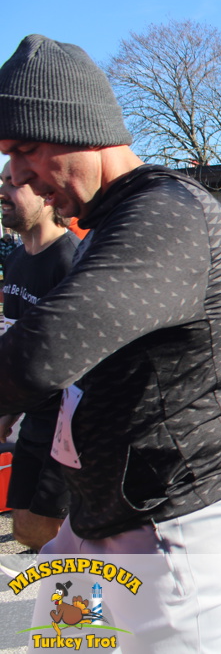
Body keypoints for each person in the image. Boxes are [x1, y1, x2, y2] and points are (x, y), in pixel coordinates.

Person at [0, 34, 221, 651]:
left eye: (27, 149)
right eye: (7, 155)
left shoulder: (167, 212)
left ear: (82, 129)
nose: (15, 174)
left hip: (170, 522)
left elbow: (41, 354)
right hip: (99, 515)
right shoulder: (111, 218)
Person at [0, 162, 79, 555]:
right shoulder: (16, 259)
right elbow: (18, 346)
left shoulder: (71, 260)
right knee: (27, 527)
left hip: (69, 420)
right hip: (33, 415)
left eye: (13, 183)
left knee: (52, 531)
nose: (3, 192)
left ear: (48, 195)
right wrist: (9, 410)